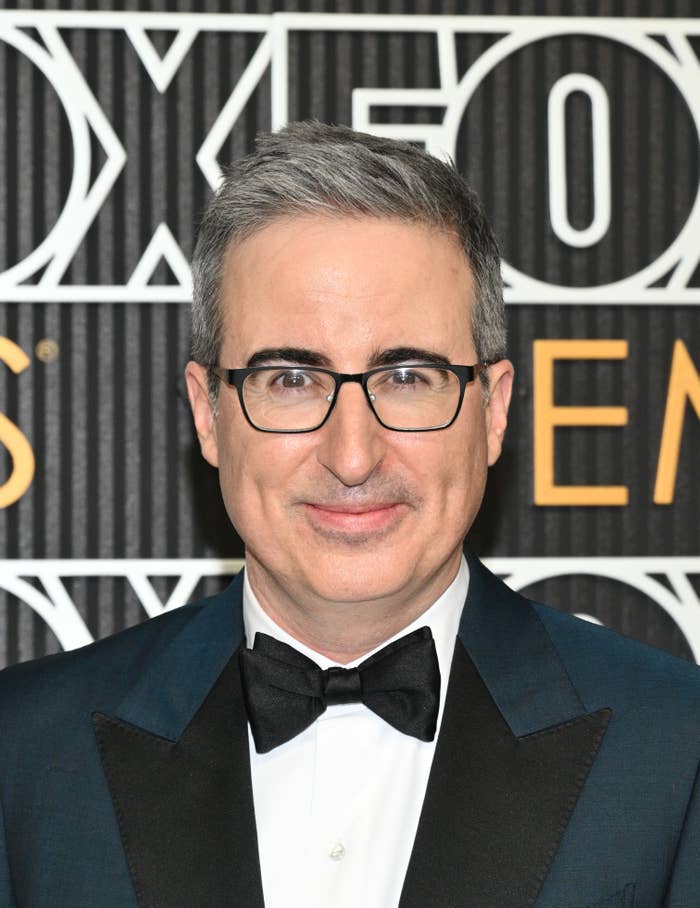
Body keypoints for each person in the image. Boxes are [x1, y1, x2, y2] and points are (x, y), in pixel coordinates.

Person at [0, 122, 699, 908]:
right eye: (292, 379)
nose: (354, 455)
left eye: (407, 375)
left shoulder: (678, 750)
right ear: (208, 414)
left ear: (494, 410)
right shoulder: (21, 754)